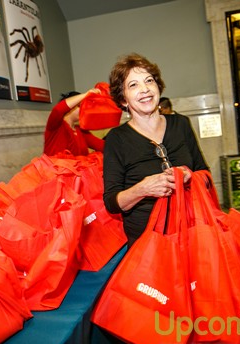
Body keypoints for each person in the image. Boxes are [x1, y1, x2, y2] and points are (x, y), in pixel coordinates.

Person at [103, 53, 209, 248]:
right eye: (133, 85)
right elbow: (112, 202)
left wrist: (190, 176)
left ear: (158, 87)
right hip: (148, 243)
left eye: (149, 81)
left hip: (192, 230)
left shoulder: (181, 124)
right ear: (123, 100)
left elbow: (206, 174)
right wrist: (142, 189)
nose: (144, 89)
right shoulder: (116, 139)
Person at [43, 89, 105, 156]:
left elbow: (103, 146)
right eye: (80, 106)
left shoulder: (81, 131)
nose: (84, 110)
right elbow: (58, 109)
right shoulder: (55, 125)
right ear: (70, 107)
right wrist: (86, 94)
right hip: (54, 166)